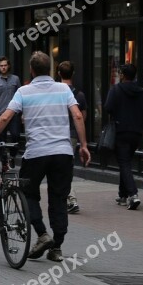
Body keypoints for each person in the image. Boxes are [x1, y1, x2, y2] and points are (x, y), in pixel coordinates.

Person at [0, 51, 90, 263]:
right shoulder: (64, 89)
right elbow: (76, 115)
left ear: (31, 70)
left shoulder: (23, 91)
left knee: (28, 193)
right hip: (62, 153)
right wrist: (83, 145)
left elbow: (5, 117)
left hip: (36, 152)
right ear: (51, 69)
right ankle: (56, 247)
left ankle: (41, 234)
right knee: (58, 198)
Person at [104, 63, 143, 210]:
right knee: (127, 162)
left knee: (124, 163)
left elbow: (108, 107)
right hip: (136, 133)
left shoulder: (116, 90)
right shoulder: (142, 92)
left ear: (123, 75)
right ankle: (122, 195)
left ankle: (133, 194)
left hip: (121, 131)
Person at [56, 62, 86, 213]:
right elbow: (82, 117)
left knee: (63, 168)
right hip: (73, 134)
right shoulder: (79, 95)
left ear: (58, 73)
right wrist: (84, 143)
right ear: (73, 73)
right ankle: (67, 197)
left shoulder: (55, 93)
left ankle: (70, 198)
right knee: (65, 166)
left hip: (57, 134)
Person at [0, 56, 22, 168]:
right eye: (1, 66)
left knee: (16, 135)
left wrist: (24, 113)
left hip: (14, 113)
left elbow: (21, 95)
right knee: (0, 140)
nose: (3, 67)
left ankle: (12, 156)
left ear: (8, 66)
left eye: (5, 65)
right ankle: (4, 162)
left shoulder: (15, 79)